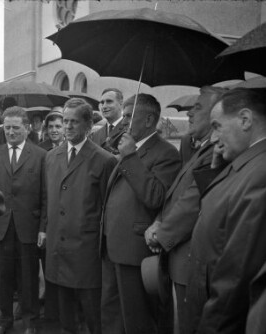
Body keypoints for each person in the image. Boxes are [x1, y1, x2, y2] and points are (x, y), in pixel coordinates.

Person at [143, 86, 226, 334]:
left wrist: (161, 233)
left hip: (189, 258)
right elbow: (174, 195)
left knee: (186, 326)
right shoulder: (198, 149)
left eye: (198, 107)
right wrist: (158, 220)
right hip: (177, 256)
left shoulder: (217, 154)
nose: (190, 113)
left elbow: (194, 200)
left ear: (217, 115)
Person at [186, 88, 266, 334]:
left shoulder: (260, 174)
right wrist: (216, 169)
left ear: (245, 120)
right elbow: (219, 205)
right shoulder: (247, 161)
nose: (213, 138)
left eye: (217, 126)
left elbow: (237, 275)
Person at [100, 94, 181, 334]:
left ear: (148, 120)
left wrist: (130, 157)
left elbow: (155, 197)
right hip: (112, 246)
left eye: (128, 116)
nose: (123, 122)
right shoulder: (129, 148)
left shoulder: (166, 153)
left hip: (136, 251)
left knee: (138, 318)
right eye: (123, 116)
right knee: (113, 314)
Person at [46, 98, 117, 334]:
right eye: (65, 121)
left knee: (93, 315)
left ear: (88, 125)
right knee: (65, 318)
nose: (67, 127)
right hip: (58, 249)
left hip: (86, 252)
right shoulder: (51, 157)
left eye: (73, 122)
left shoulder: (104, 160)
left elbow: (109, 207)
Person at [0, 106, 47, 334]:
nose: (10, 132)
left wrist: (42, 228)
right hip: (0, 227)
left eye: (15, 128)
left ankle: (30, 321)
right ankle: (5, 320)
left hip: (28, 227)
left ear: (27, 129)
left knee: (29, 277)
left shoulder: (40, 156)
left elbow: (45, 196)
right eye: (6, 127)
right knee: (3, 276)